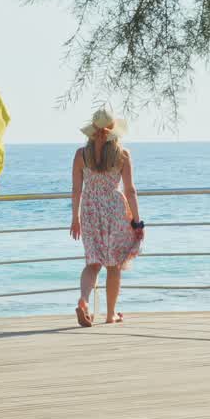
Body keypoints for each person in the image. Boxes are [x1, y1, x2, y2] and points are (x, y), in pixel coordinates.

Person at [71, 107, 144, 326]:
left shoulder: (81, 155)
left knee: (92, 263)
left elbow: (76, 191)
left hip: (90, 210)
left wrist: (75, 218)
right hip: (114, 210)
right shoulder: (122, 155)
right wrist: (137, 221)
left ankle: (83, 301)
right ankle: (110, 315)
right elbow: (130, 190)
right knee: (113, 265)